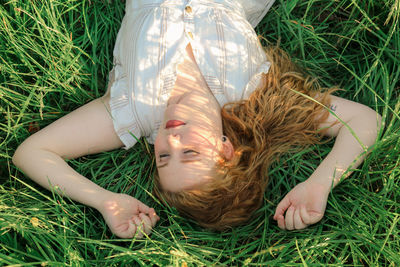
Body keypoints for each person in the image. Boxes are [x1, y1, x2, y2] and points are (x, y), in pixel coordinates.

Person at [12, 0, 381, 238]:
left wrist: (104, 201)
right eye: (190, 153)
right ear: (226, 149)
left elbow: (33, 152)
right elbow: (363, 121)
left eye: (162, 157)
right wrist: (320, 184)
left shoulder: (132, 111)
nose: (171, 141)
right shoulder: (255, 93)